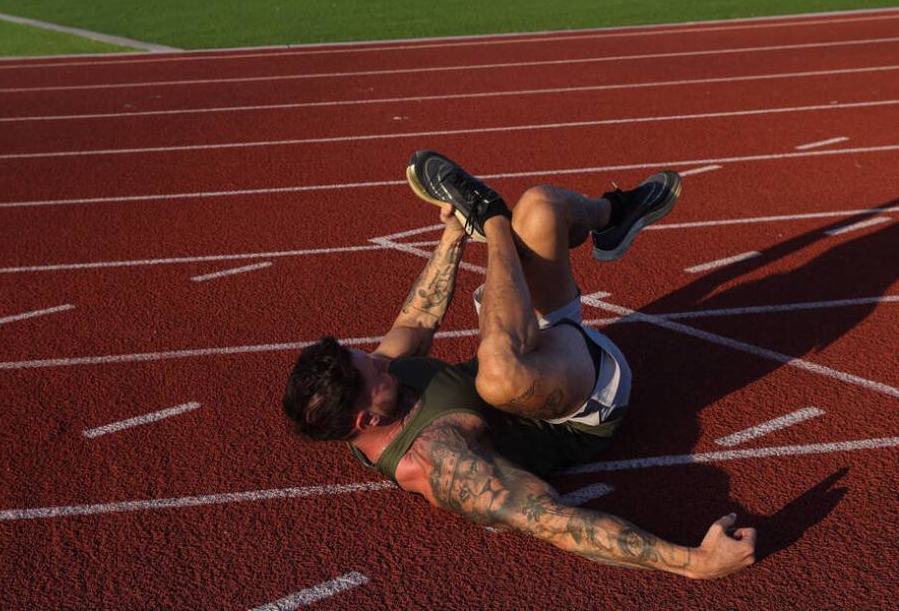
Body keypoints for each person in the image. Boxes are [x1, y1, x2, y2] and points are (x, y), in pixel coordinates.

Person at [283, 150, 756, 579]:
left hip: (533, 347)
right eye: (377, 373)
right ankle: (492, 218)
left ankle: (614, 215)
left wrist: (455, 230)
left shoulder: (370, 390)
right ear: (367, 420)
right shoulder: (437, 464)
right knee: (496, 372)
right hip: (586, 398)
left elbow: (418, 319)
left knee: (540, 205)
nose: (384, 363)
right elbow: (552, 520)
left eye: (373, 360)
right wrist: (695, 562)